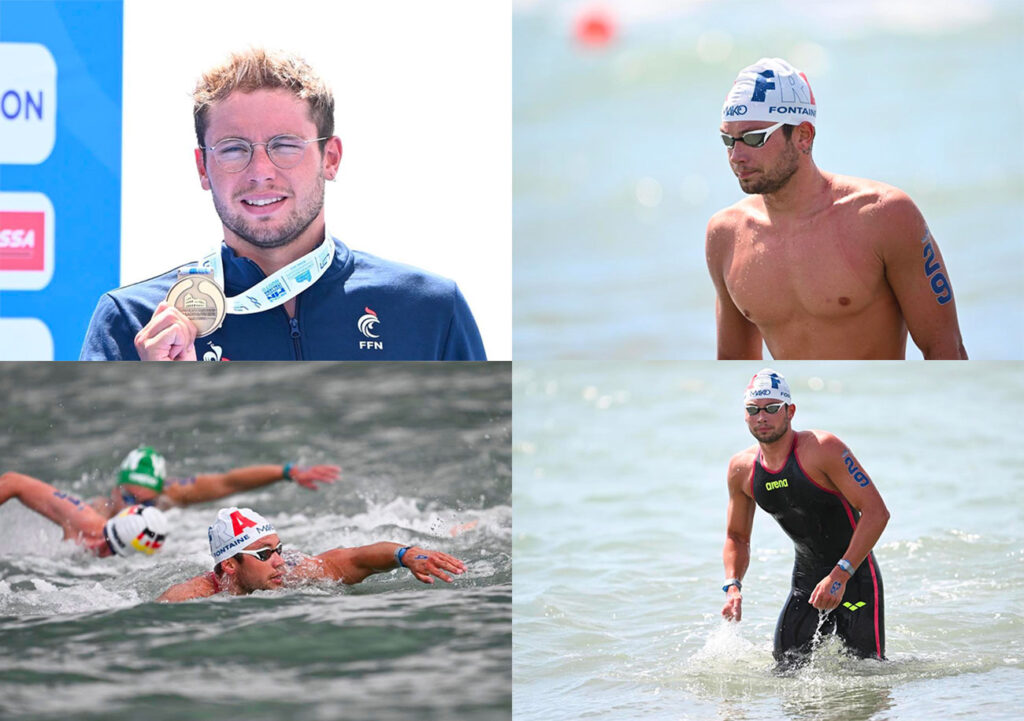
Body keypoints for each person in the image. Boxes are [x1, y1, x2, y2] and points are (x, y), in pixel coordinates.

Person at [80, 47, 486, 361]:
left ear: (331, 158)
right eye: (234, 149)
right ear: (203, 168)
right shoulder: (133, 321)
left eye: (285, 145)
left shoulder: (429, 310)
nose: (260, 170)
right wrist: (151, 400)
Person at [706, 57, 967, 360]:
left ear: (803, 135)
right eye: (728, 139)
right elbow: (733, 366)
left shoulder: (884, 216)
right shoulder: (726, 235)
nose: (736, 155)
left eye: (753, 138)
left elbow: (946, 350)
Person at [721, 368, 889, 670]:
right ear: (745, 415)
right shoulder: (742, 469)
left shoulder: (823, 449)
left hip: (855, 581)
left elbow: (877, 512)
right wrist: (733, 586)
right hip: (806, 585)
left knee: (868, 676)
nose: (762, 417)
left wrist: (840, 576)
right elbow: (737, 537)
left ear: (790, 411)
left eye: (772, 408)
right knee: (785, 672)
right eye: (753, 410)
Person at [0, 446, 338, 556]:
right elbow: (13, 481)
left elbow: (229, 481)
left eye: (147, 502)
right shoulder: (87, 518)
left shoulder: (172, 497)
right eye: (130, 497)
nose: (138, 507)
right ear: (117, 491)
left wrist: (287, 470)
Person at [157, 507, 466, 601]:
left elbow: (354, 558)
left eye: (278, 549)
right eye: (264, 554)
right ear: (230, 564)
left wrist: (405, 554)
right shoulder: (189, 597)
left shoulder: (291, 569)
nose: (279, 560)